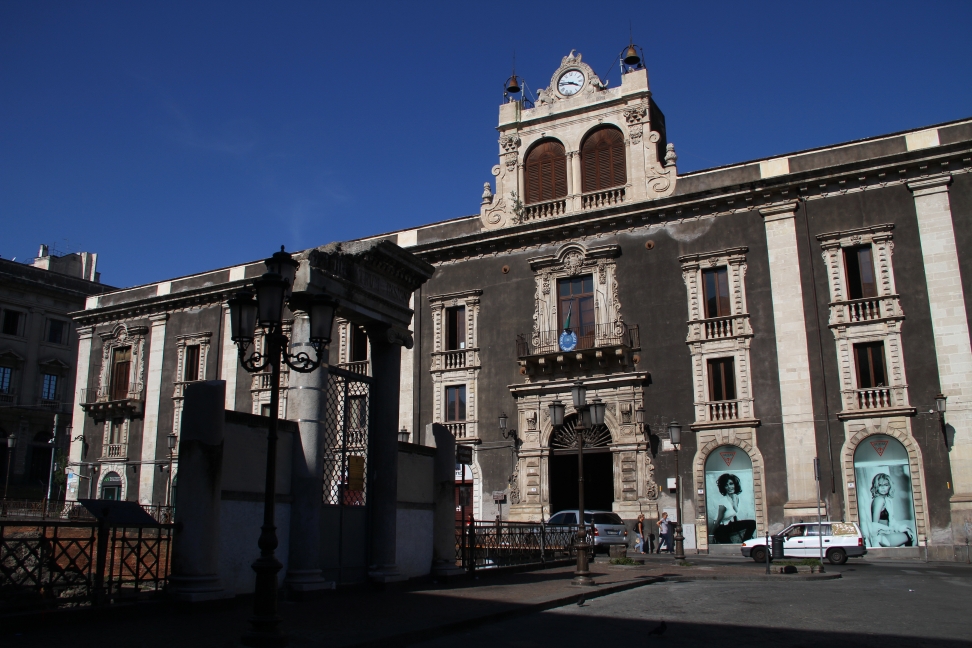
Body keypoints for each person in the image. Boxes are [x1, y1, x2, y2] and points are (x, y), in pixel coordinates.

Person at [866, 473, 915, 547]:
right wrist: (890, 530)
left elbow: (891, 521)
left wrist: (899, 528)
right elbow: (874, 524)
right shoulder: (879, 499)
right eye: (880, 485)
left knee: (909, 532)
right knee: (910, 536)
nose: (883, 488)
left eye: (886, 485)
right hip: (881, 536)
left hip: (886, 533)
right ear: (876, 486)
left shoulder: (886, 500)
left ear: (889, 486)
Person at [710, 473, 757, 544]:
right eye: (726, 485)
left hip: (730, 525)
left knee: (752, 523)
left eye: (731, 484)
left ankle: (745, 543)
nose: (729, 487)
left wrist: (734, 504)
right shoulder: (723, 501)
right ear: (723, 488)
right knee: (729, 546)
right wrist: (710, 535)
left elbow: (735, 515)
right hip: (721, 528)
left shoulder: (736, 497)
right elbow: (717, 521)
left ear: (735, 484)